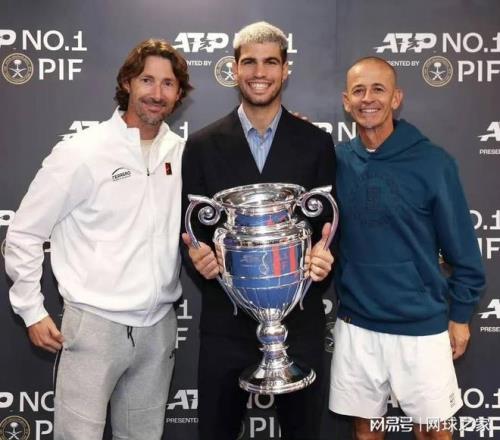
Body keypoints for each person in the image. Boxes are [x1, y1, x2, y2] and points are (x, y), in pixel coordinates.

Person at [5, 39, 192, 440]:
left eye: (168, 84)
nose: (157, 93)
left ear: (179, 94)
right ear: (127, 83)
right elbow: (24, 232)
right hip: (93, 326)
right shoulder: (81, 151)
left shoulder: (183, 154)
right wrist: (31, 310)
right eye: (147, 80)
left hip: (158, 328)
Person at [181, 21, 336, 440]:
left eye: (270, 62)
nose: (259, 72)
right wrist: (198, 258)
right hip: (226, 322)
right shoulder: (201, 145)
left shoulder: (316, 143)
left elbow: (329, 227)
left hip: (298, 322)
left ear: (285, 69)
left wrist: (325, 258)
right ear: (234, 69)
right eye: (249, 62)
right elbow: (189, 229)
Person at [329, 56, 486, 439]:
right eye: (359, 91)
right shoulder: (336, 161)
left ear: (396, 98)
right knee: (366, 432)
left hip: (421, 326)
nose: (368, 99)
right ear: (347, 101)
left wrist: (460, 315)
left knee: (433, 433)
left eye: (378, 89)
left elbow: (464, 251)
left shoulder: (433, 162)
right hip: (357, 325)